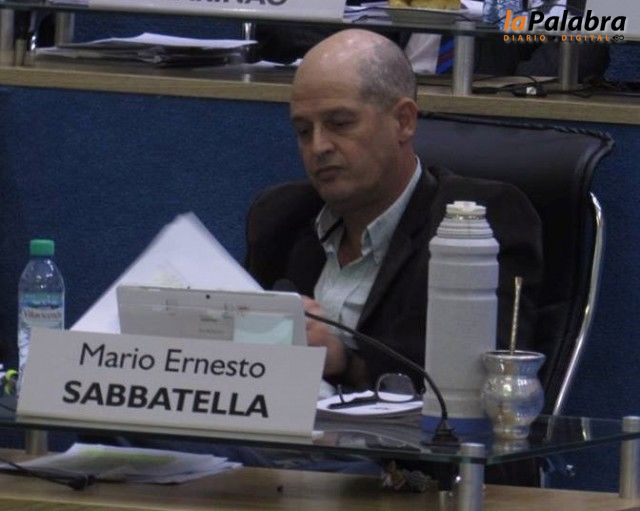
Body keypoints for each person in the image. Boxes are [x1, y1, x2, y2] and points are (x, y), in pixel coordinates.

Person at [245, 28, 543, 392]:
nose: (318, 146)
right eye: (304, 131)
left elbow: (478, 373)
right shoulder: (280, 217)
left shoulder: (473, 222)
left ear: (403, 121)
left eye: (340, 123)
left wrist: (345, 361)